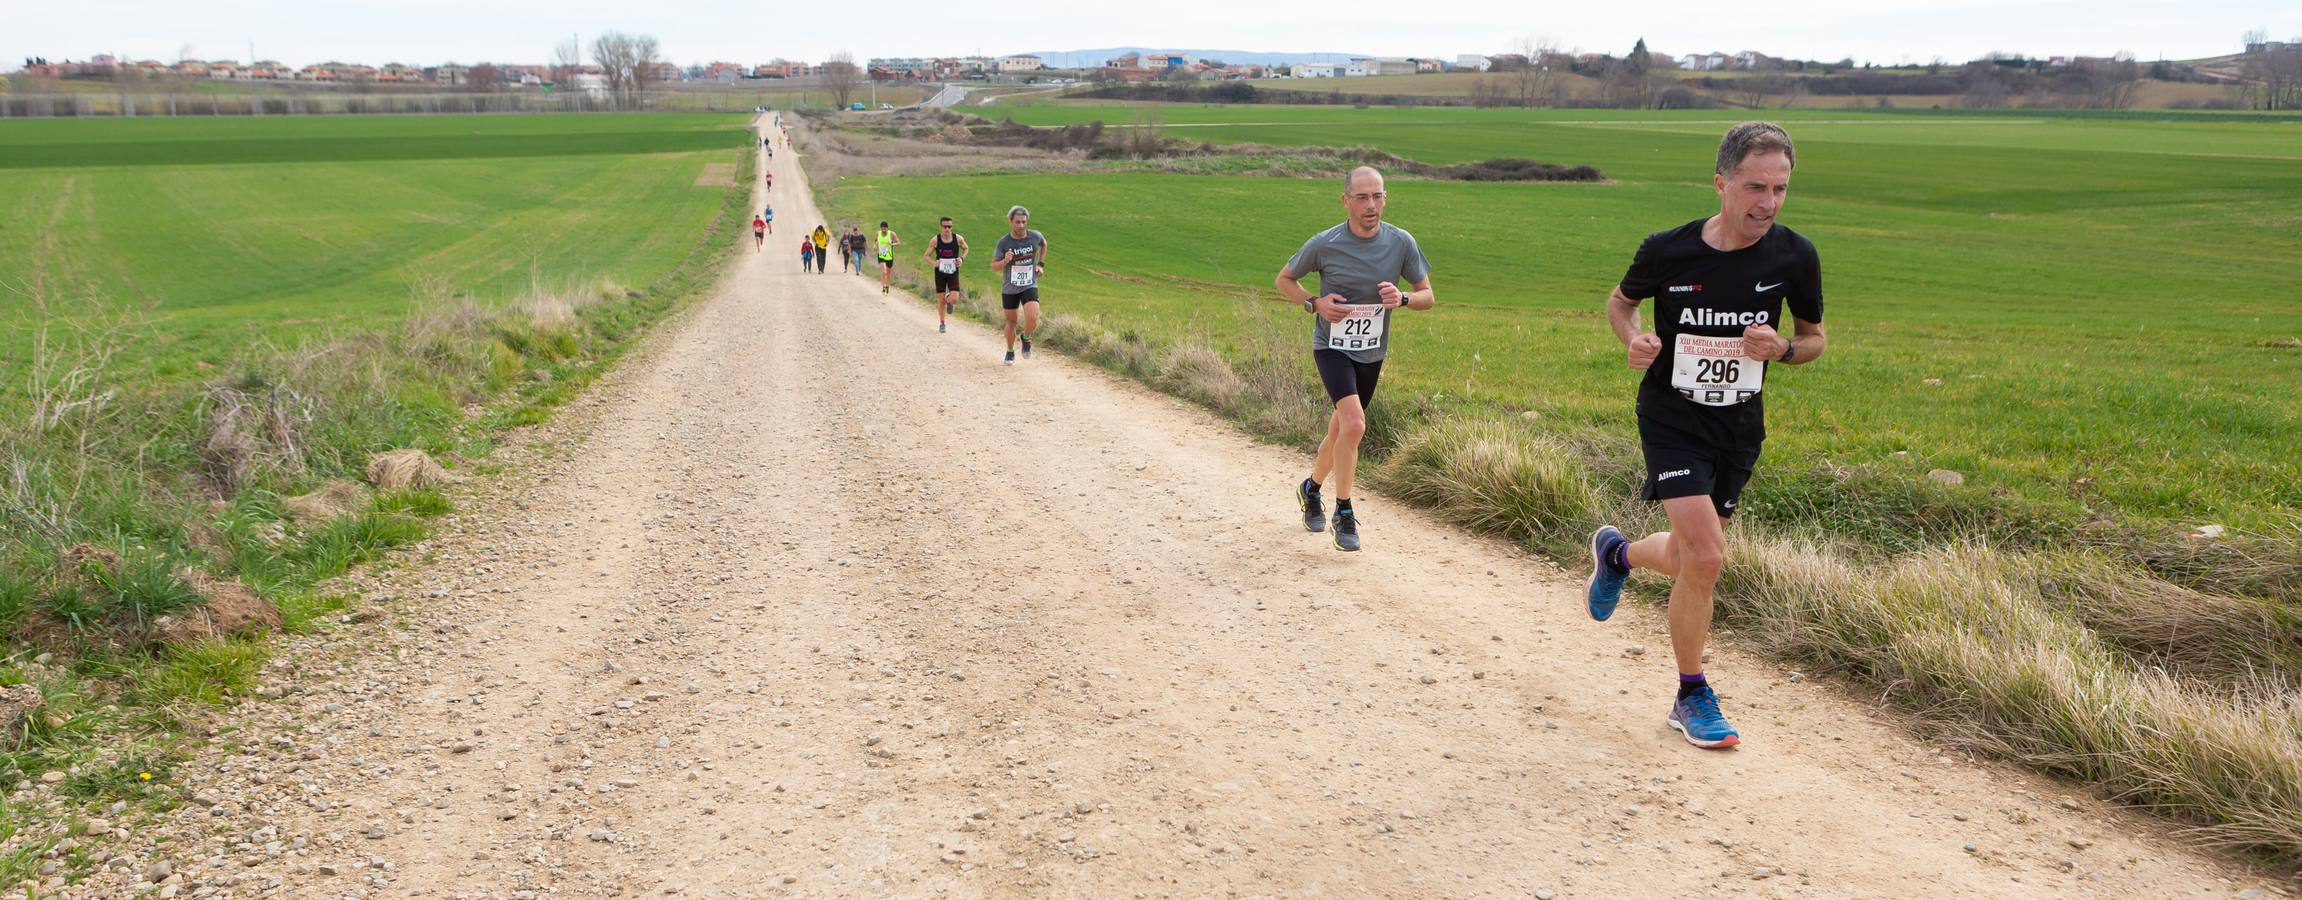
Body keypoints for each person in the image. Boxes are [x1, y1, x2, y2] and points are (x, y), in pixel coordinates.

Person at [1585, 122, 1828, 751]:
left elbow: (1816, 340)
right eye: (1755, 187)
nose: (1768, 203)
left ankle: (1617, 555)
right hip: (1672, 417)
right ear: (1721, 182)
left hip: (1739, 426)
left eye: (1780, 189)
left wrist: (1784, 348)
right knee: (1710, 557)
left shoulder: (1794, 256)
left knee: (1691, 556)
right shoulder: (1668, 250)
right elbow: (1618, 303)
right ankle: (1691, 694)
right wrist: (1633, 338)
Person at [1274, 166, 1434, 553]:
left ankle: (1311, 488)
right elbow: (1284, 280)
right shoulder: (1325, 243)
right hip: (1331, 347)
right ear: (1345, 201)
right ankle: (1344, 513)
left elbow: (1427, 294)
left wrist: (1405, 299)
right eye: (1362, 197)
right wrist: (1315, 303)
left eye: (1377, 196)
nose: (1371, 205)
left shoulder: (1401, 242)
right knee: (1355, 424)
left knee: (1340, 432)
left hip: (1371, 352)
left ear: (1386, 199)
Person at [989, 206, 1048, 366]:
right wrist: (1004, 261)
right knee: (1011, 321)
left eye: (1024, 222)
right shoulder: (1004, 242)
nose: (1021, 226)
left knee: (1033, 316)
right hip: (1010, 287)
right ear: (1011, 222)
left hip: (1029, 283)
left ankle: (1026, 337)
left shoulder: (1035, 236)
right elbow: (993, 266)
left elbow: (1044, 244)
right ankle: (1009, 350)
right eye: (1017, 222)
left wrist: (1040, 264)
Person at [923, 216, 969, 332]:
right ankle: (942, 323)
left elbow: (966, 248)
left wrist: (961, 259)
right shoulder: (935, 240)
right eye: (945, 227)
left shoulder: (958, 239)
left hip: (953, 271)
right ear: (940, 227)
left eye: (950, 226)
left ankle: (949, 299)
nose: (947, 229)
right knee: (940, 300)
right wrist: (934, 263)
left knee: (954, 299)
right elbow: (926, 255)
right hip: (940, 273)